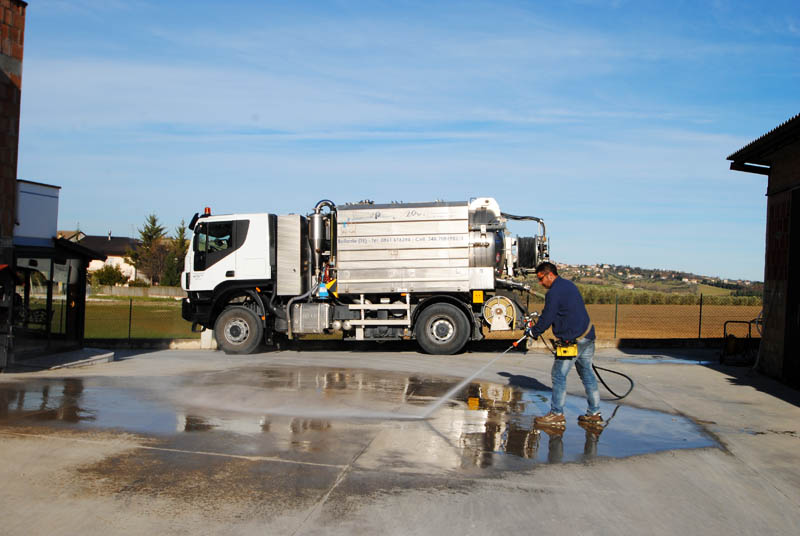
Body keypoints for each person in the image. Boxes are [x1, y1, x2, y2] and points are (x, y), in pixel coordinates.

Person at [526, 261, 602, 427]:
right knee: (587, 374)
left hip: (573, 341)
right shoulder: (569, 285)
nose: (540, 283)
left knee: (558, 375)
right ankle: (594, 413)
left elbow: (547, 317)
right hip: (588, 335)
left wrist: (533, 332)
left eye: (541, 278)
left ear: (550, 275)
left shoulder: (554, 292)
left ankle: (556, 414)